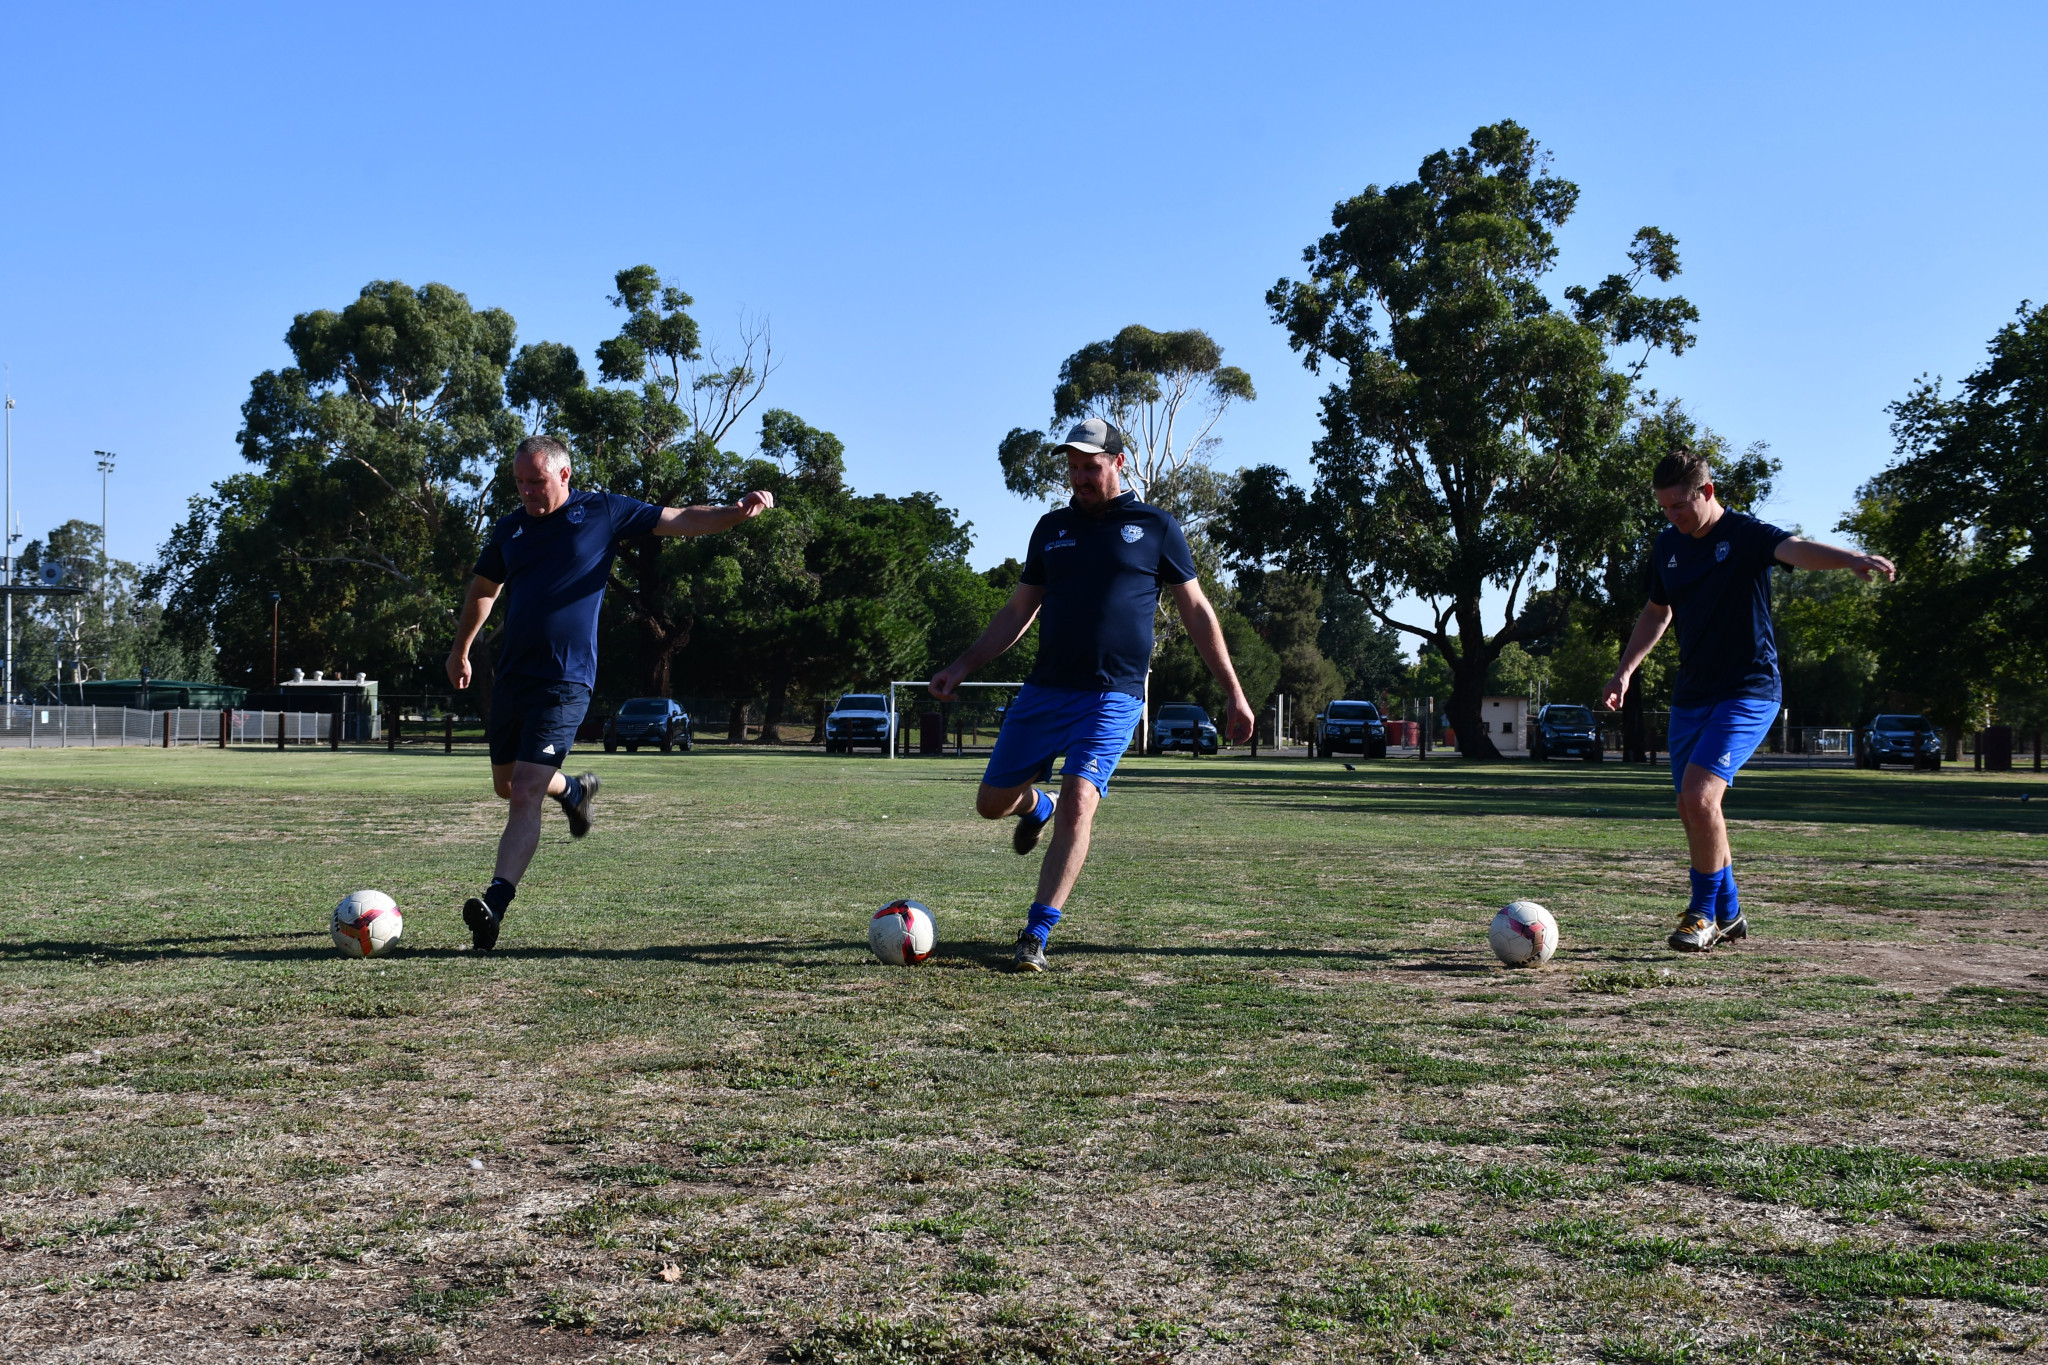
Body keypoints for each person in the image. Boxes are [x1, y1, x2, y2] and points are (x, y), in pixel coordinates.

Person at [929, 418, 1255, 972]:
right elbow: (1016, 612)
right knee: (990, 805)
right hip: (1045, 689)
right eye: (1073, 467)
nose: (1080, 477)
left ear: (1118, 463)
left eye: (1091, 466)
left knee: (1082, 798)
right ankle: (1038, 803)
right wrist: (961, 665)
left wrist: (1234, 692)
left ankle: (1036, 933)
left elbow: (1197, 612)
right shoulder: (1050, 528)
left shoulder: (1156, 526)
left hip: (1113, 694)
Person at [445, 434, 774, 951]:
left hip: (566, 677)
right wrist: (462, 648)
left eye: (536, 481)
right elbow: (485, 590)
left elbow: (683, 518)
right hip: (513, 677)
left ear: (565, 474)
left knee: (526, 790)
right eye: (519, 483)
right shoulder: (509, 529)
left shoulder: (603, 511)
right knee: (508, 785)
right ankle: (574, 792)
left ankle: (495, 906)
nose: (527, 492)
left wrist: (736, 513)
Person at [1599, 448, 1893, 953]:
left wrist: (1850, 559)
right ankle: (1730, 914)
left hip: (1749, 690)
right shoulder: (1667, 545)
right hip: (1693, 694)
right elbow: (1656, 612)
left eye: (1679, 507)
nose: (1672, 517)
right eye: (1664, 508)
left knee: (1700, 797)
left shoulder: (1744, 534)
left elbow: (1796, 548)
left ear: (1707, 492)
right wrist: (1625, 670)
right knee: (1691, 806)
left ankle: (1702, 915)